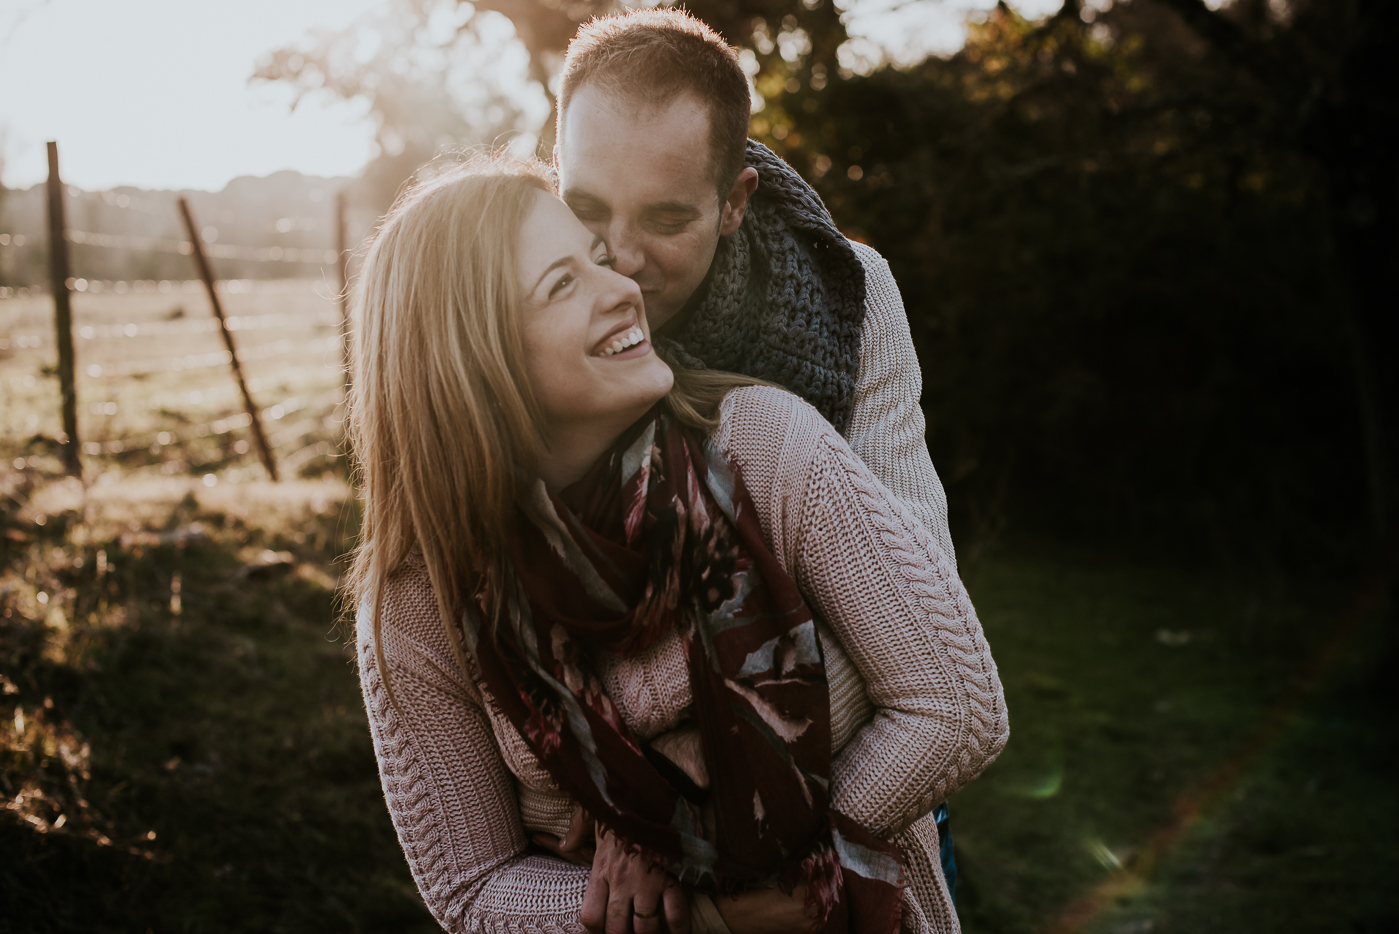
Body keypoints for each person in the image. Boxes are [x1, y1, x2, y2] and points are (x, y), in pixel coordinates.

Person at [349, 158, 1007, 934]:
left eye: (595, 260)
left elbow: (954, 703)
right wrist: (708, 916)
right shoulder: (417, 599)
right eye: (562, 285)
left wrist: (776, 857)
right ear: (471, 362)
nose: (622, 287)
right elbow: (471, 887)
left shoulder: (762, 445)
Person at [551, 8, 965, 903]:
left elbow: (918, 603)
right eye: (585, 209)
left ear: (734, 201)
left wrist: (695, 794)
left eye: (666, 219)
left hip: (851, 777)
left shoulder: (850, 300)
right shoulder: (524, 304)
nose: (620, 260)